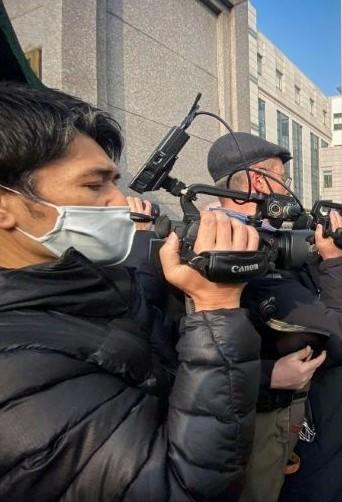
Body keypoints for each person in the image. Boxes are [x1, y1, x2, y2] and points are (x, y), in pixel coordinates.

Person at [0, 82, 261, 500]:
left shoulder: (92, 284)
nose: (121, 202)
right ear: (5, 207)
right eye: (93, 186)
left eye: (115, 183)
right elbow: (177, 489)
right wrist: (217, 307)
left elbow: (171, 373)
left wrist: (197, 297)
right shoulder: (13, 374)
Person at [206, 133, 342, 502]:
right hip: (247, 428)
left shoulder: (256, 237)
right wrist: (334, 262)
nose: (288, 190)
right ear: (257, 181)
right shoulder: (238, 250)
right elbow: (341, 339)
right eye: (282, 179)